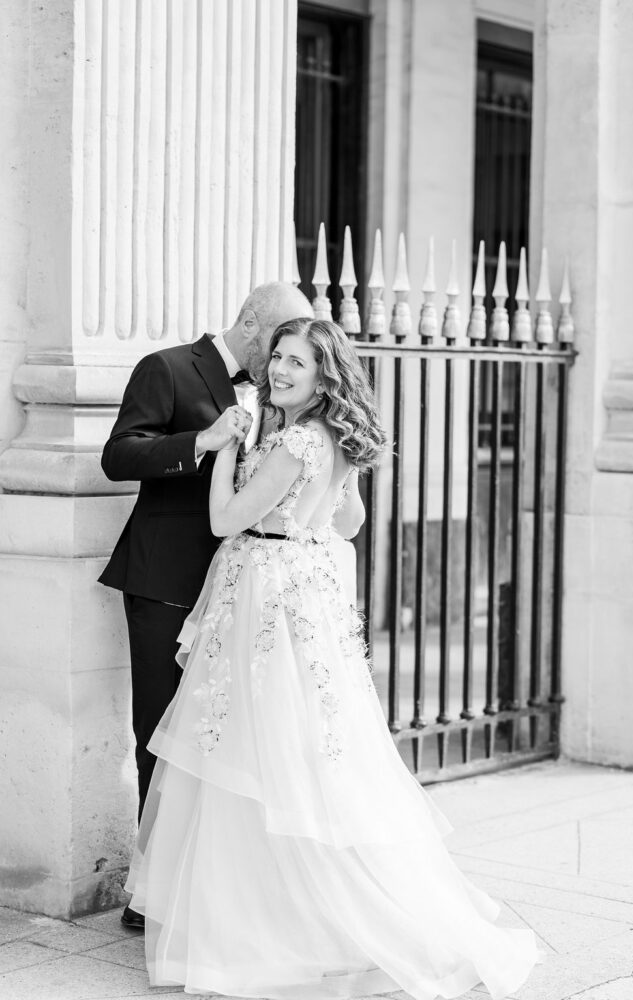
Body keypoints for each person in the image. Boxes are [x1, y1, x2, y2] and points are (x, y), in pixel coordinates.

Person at [125, 317, 540, 999]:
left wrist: (226, 450)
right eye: (278, 357)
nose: (280, 370)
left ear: (324, 376)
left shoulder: (294, 440)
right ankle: (274, 904)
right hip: (300, 595)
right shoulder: (333, 437)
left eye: (298, 362)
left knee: (255, 745)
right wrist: (307, 516)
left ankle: (270, 917)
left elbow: (224, 520)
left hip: (265, 598)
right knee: (292, 746)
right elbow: (349, 522)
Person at [99, 281, 313, 930]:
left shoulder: (276, 394)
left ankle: (206, 887)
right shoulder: (165, 368)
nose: (283, 357)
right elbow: (118, 456)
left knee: (218, 743)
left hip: (236, 595)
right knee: (161, 736)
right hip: (166, 582)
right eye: (278, 341)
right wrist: (201, 441)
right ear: (251, 324)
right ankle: (150, 896)